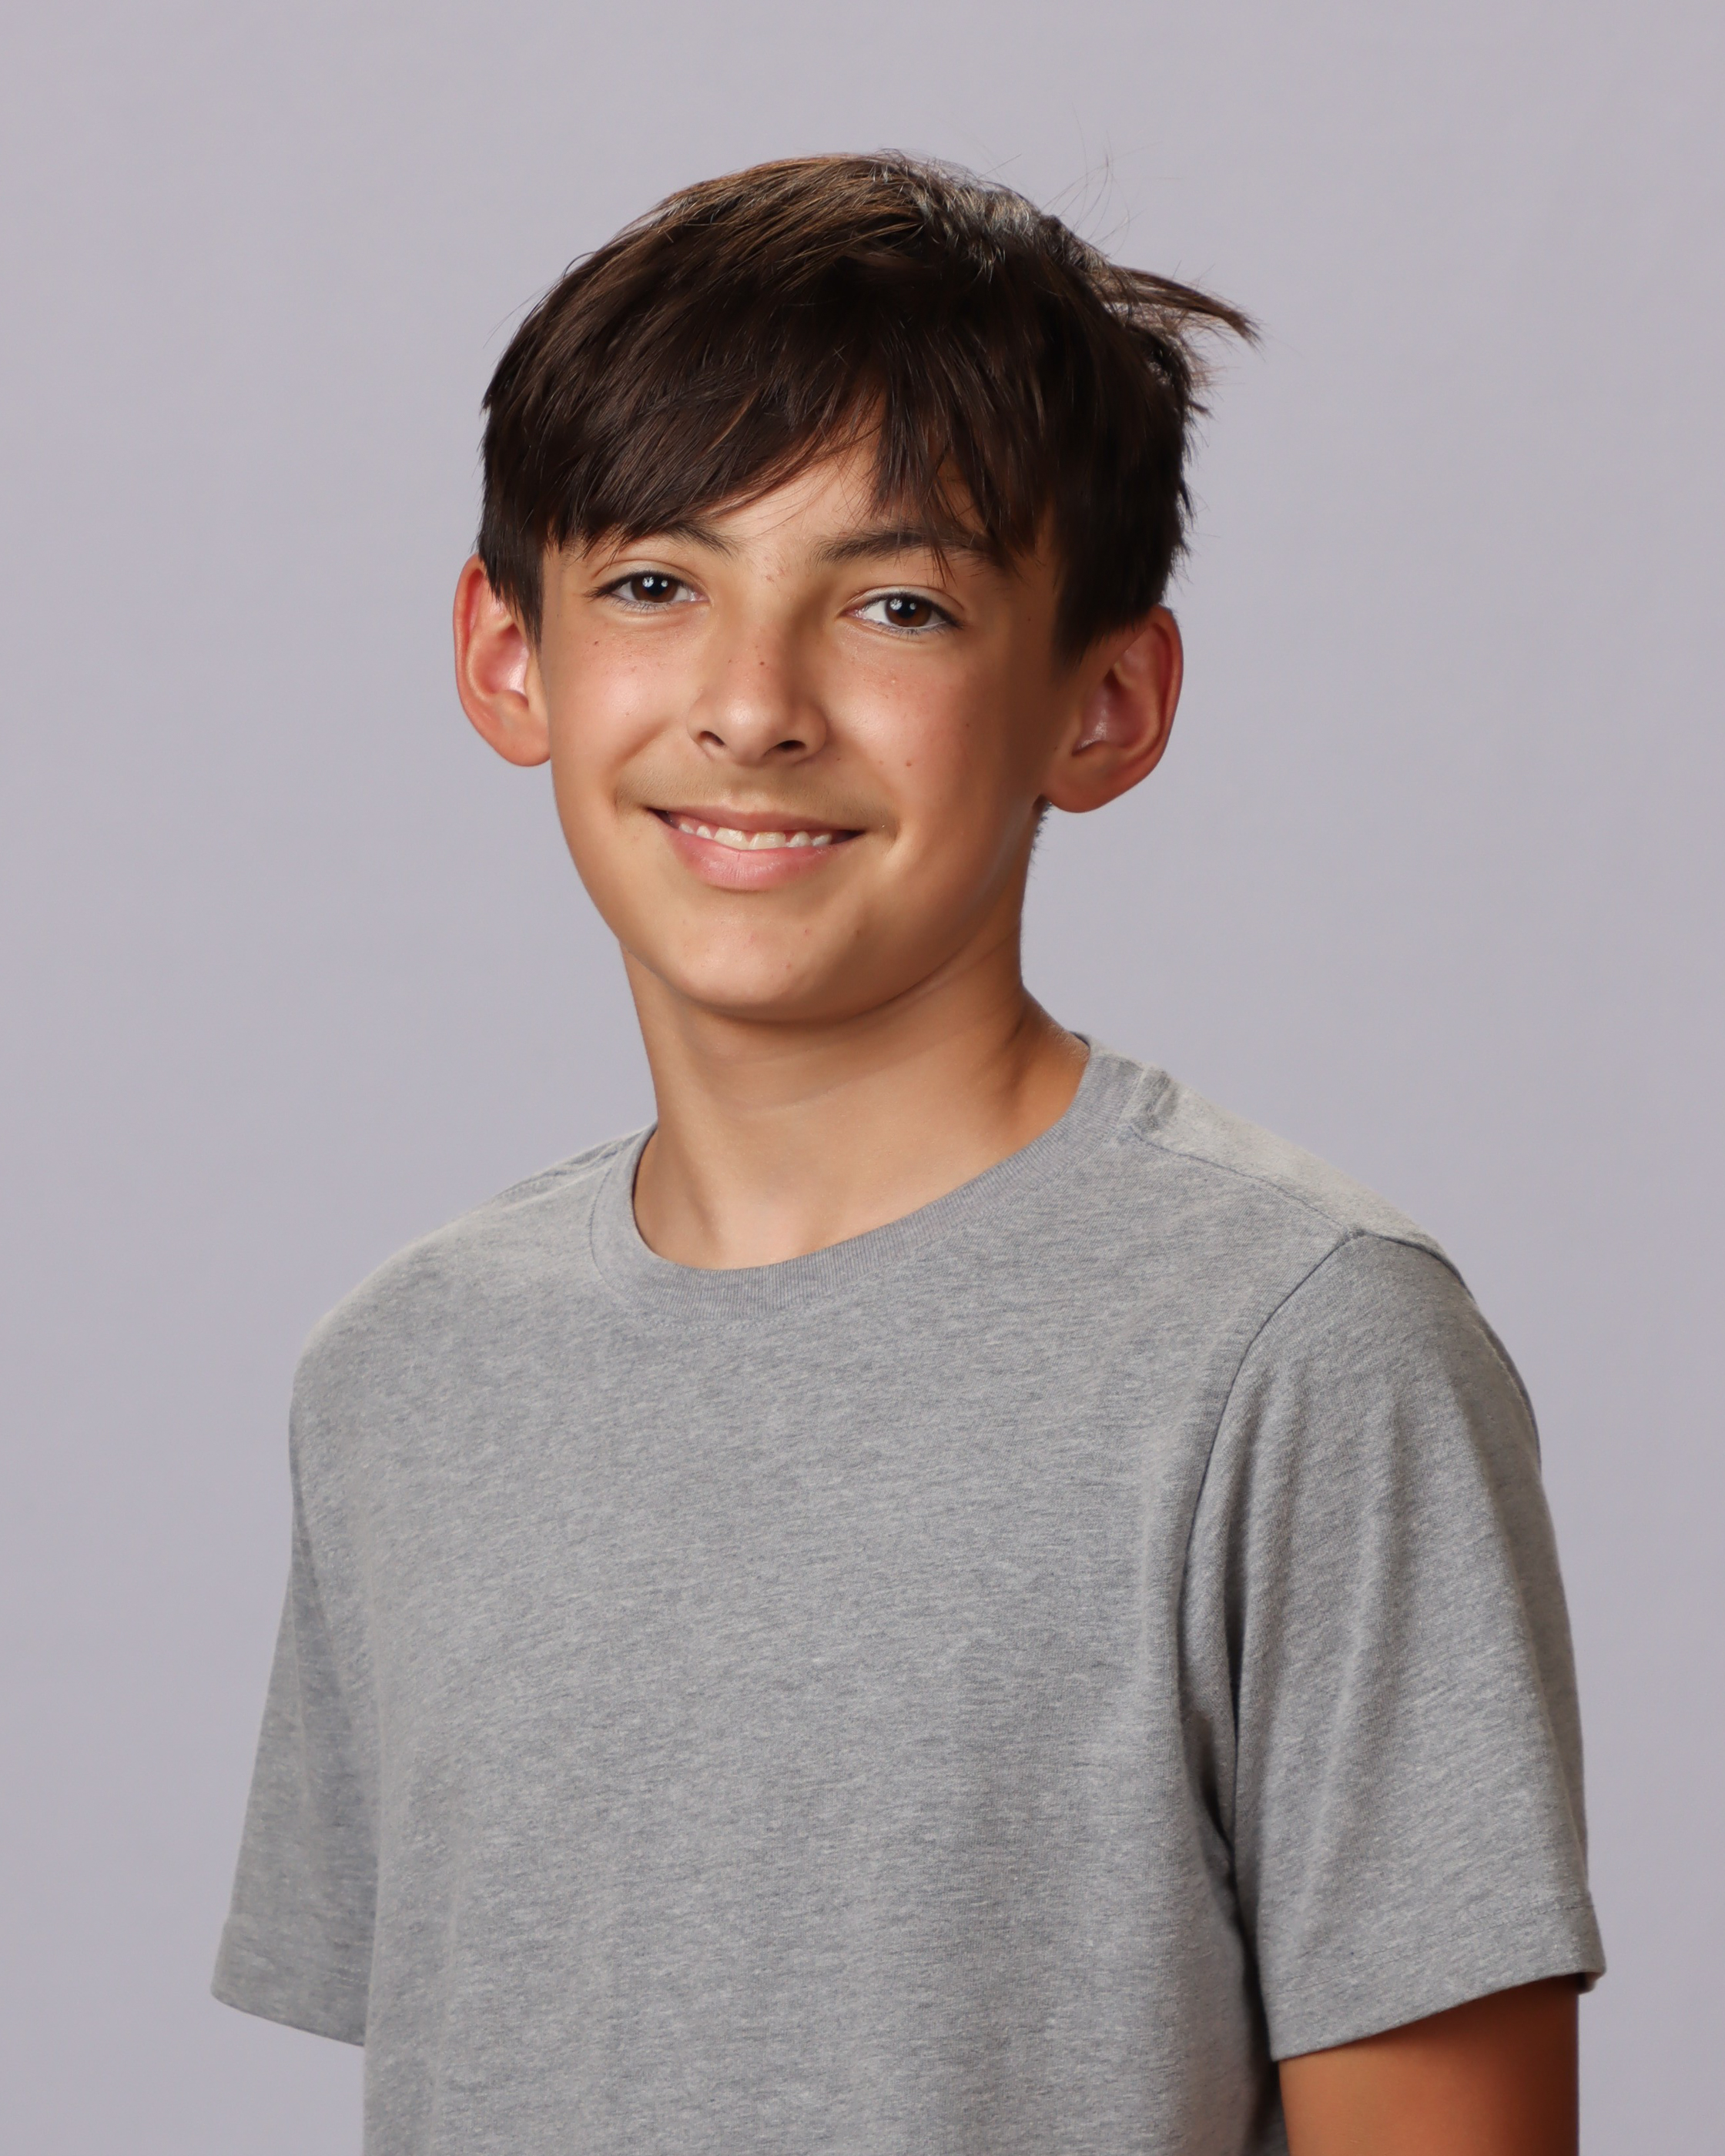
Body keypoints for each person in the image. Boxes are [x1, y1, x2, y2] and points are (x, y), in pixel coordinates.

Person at [213, 154, 1603, 2155]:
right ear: (510, 656)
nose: (754, 708)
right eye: (656, 585)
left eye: (897, 606)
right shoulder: (402, 1373)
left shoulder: (1303, 1354)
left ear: (1103, 704)